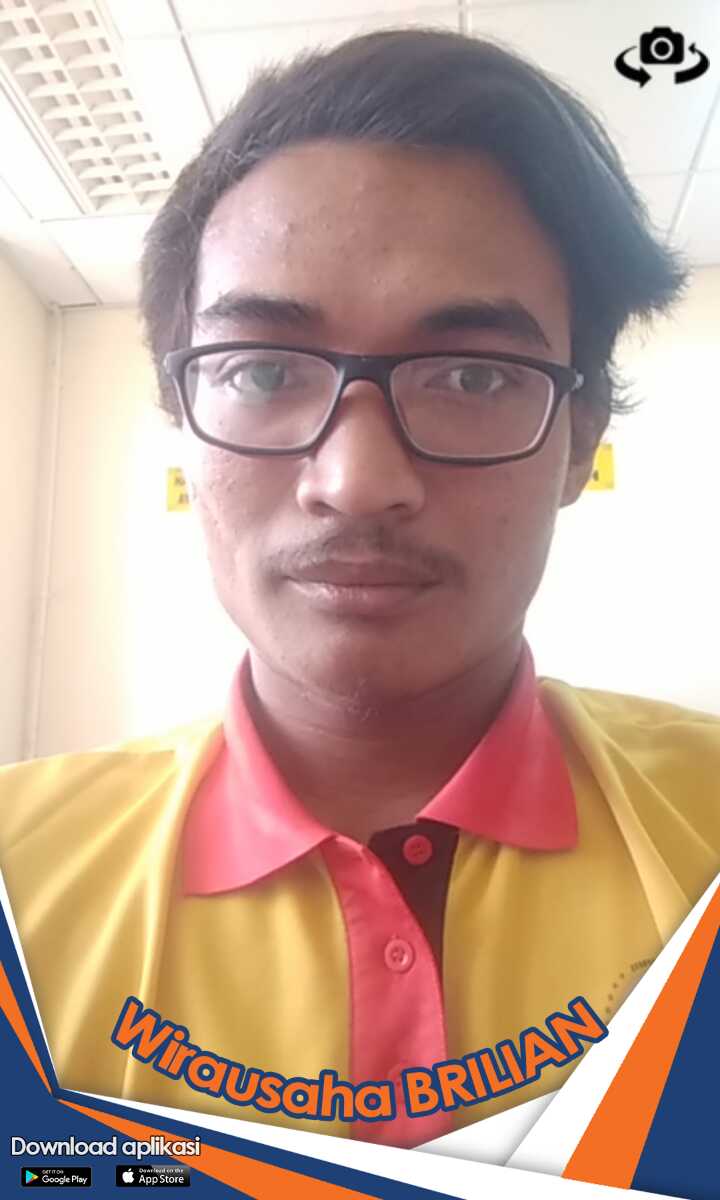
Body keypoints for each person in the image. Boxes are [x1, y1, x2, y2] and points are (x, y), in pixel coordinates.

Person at [1, 28, 719, 1151]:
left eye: (473, 374)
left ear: (579, 439)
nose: (357, 481)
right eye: (264, 370)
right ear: (184, 423)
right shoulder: (17, 881)